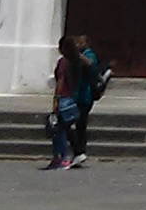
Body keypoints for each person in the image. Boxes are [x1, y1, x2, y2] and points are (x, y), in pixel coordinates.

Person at [45, 31, 106, 170]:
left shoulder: (77, 58)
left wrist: (57, 98)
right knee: (75, 125)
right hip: (76, 95)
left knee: (69, 125)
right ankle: (76, 153)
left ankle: (74, 153)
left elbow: (89, 67)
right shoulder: (73, 60)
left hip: (80, 96)